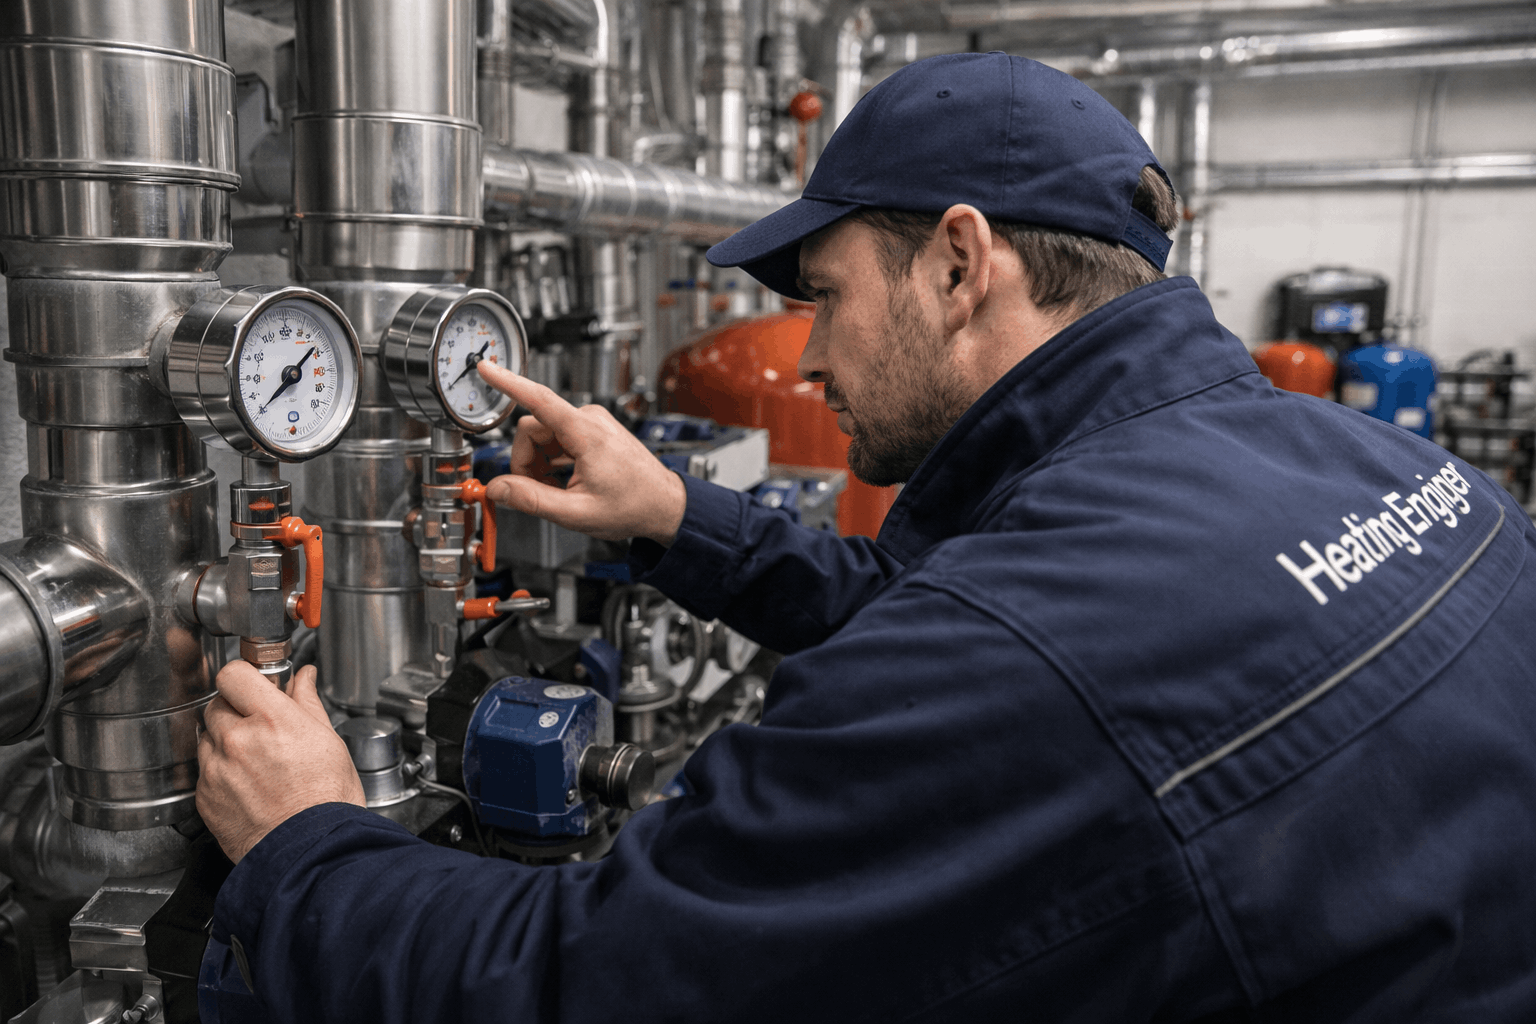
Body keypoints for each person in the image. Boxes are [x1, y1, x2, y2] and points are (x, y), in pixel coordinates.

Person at [196, 52, 1536, 1022]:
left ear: (961, 264)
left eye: (826, 294)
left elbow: (581, 983)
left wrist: (307, 842)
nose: (813, 349)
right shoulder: (1422, 482)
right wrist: (679, 517)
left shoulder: (1026, 656)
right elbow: (986, 627)